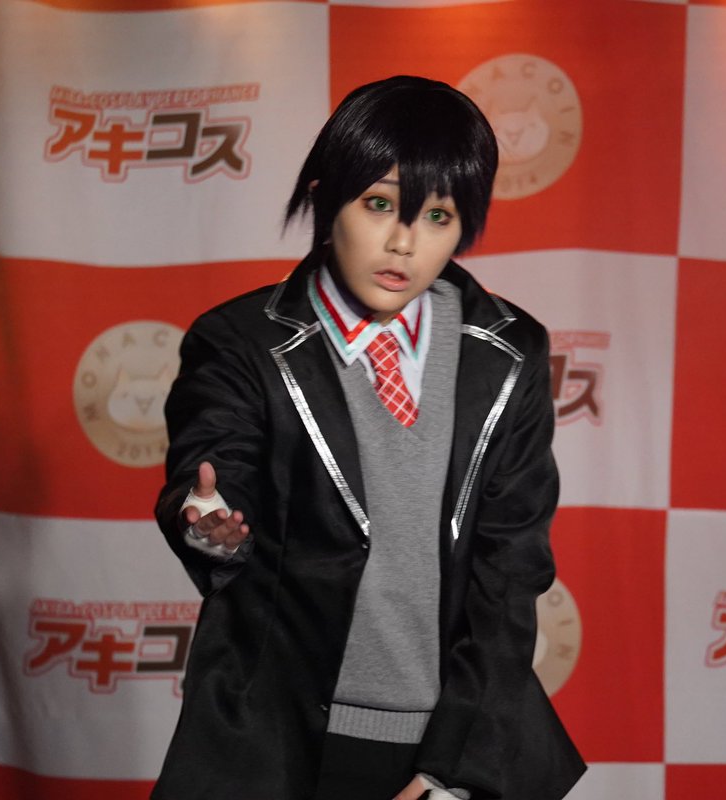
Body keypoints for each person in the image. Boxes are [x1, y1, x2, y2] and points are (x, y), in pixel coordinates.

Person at [152, 75, 584, 800]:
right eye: (379, 204)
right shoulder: (240, 341)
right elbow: (217, 472)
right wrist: (211, 525)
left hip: (441, 745)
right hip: (274, 740)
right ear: (326, 198)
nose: (403, 243)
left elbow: (510, 570)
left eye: (438, 216)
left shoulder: (509, 352)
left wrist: (454, 770)